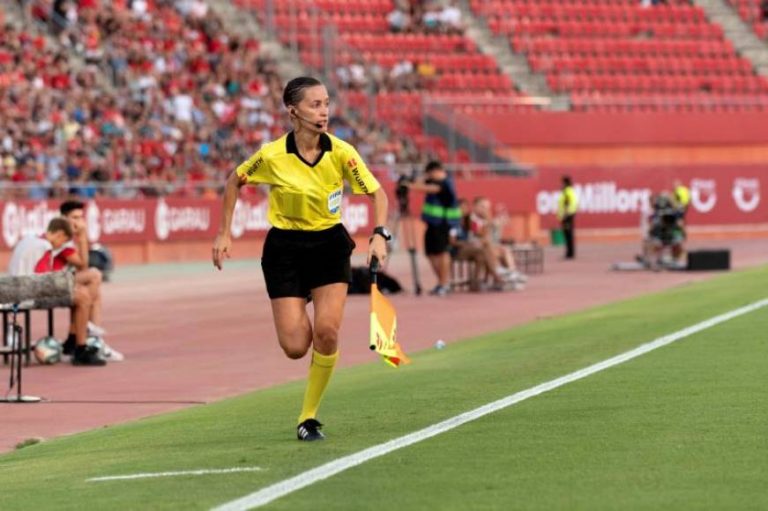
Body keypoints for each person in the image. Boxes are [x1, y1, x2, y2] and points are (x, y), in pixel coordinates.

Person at [212, 76, 389, 442]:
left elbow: (378, 193)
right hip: (285, 249)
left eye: (326, 104)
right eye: (315, 105)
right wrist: (224, 232)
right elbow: (233, 181)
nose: (323, 112)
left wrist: (379, 234)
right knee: (295, 347)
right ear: (293, 111)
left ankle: (308, 416)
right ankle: (302, 296)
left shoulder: (342, 152)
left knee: (327, 331)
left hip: (329, 245)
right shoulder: (272, 155)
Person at [7, 218, 106, 366]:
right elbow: (44, 280)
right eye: (63, 241)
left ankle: (78, 332)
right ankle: (80, 347)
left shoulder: (27, 239)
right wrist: (69, 286)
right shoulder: (45, 246)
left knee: (86, 284)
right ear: (59, 234)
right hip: (29, 294)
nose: (60, 246)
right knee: (83, 296)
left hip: (16, 290)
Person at [59, 200, 123, 361]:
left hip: (58, 281)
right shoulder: (60, 237)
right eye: (75, 218)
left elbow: (80, 268)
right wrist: (82, 236)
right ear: (64, 219)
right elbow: (84, 265)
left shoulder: (67, 237)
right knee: (94, 276)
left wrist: (81, 237)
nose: (79, 222)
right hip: (49, 286)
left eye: (81, 218)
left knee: (90, 289)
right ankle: (90, 335)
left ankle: (78, 338)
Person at [404, 160, 460, 296]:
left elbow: (431, 188)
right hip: (432, 224)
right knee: (430, 253)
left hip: (444, 224)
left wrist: (410, 186)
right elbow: (423, 184)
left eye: (429, 174)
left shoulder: (446, 182)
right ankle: (442, 282)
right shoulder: (432, 181)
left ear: (435, 171)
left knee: (442, 252)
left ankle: (444, 283)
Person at [557, 175, 578, 259]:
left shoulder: (567, 191)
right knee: (568, 234)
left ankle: (570, 253)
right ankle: (569, 253)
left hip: (567, 216)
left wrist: (566, 214)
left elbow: (569, 203)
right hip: (567, 215)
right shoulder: (567, 191)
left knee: (568, 234)